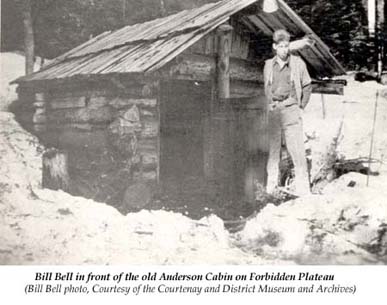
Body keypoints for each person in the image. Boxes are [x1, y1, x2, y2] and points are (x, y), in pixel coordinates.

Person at [263, 29, 312, 196]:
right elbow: (267, 87)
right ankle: (271, 189)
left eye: (286, 46)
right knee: (273, 150)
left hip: (291, 108)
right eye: (281, 46)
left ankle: (303, 188)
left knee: (296, 148)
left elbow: (307, 85)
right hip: (274, 110)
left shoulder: (297, 63)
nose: (284, 49)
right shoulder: (269, 65)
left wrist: (301, 106)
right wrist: (270, 103)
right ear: (275, 47)